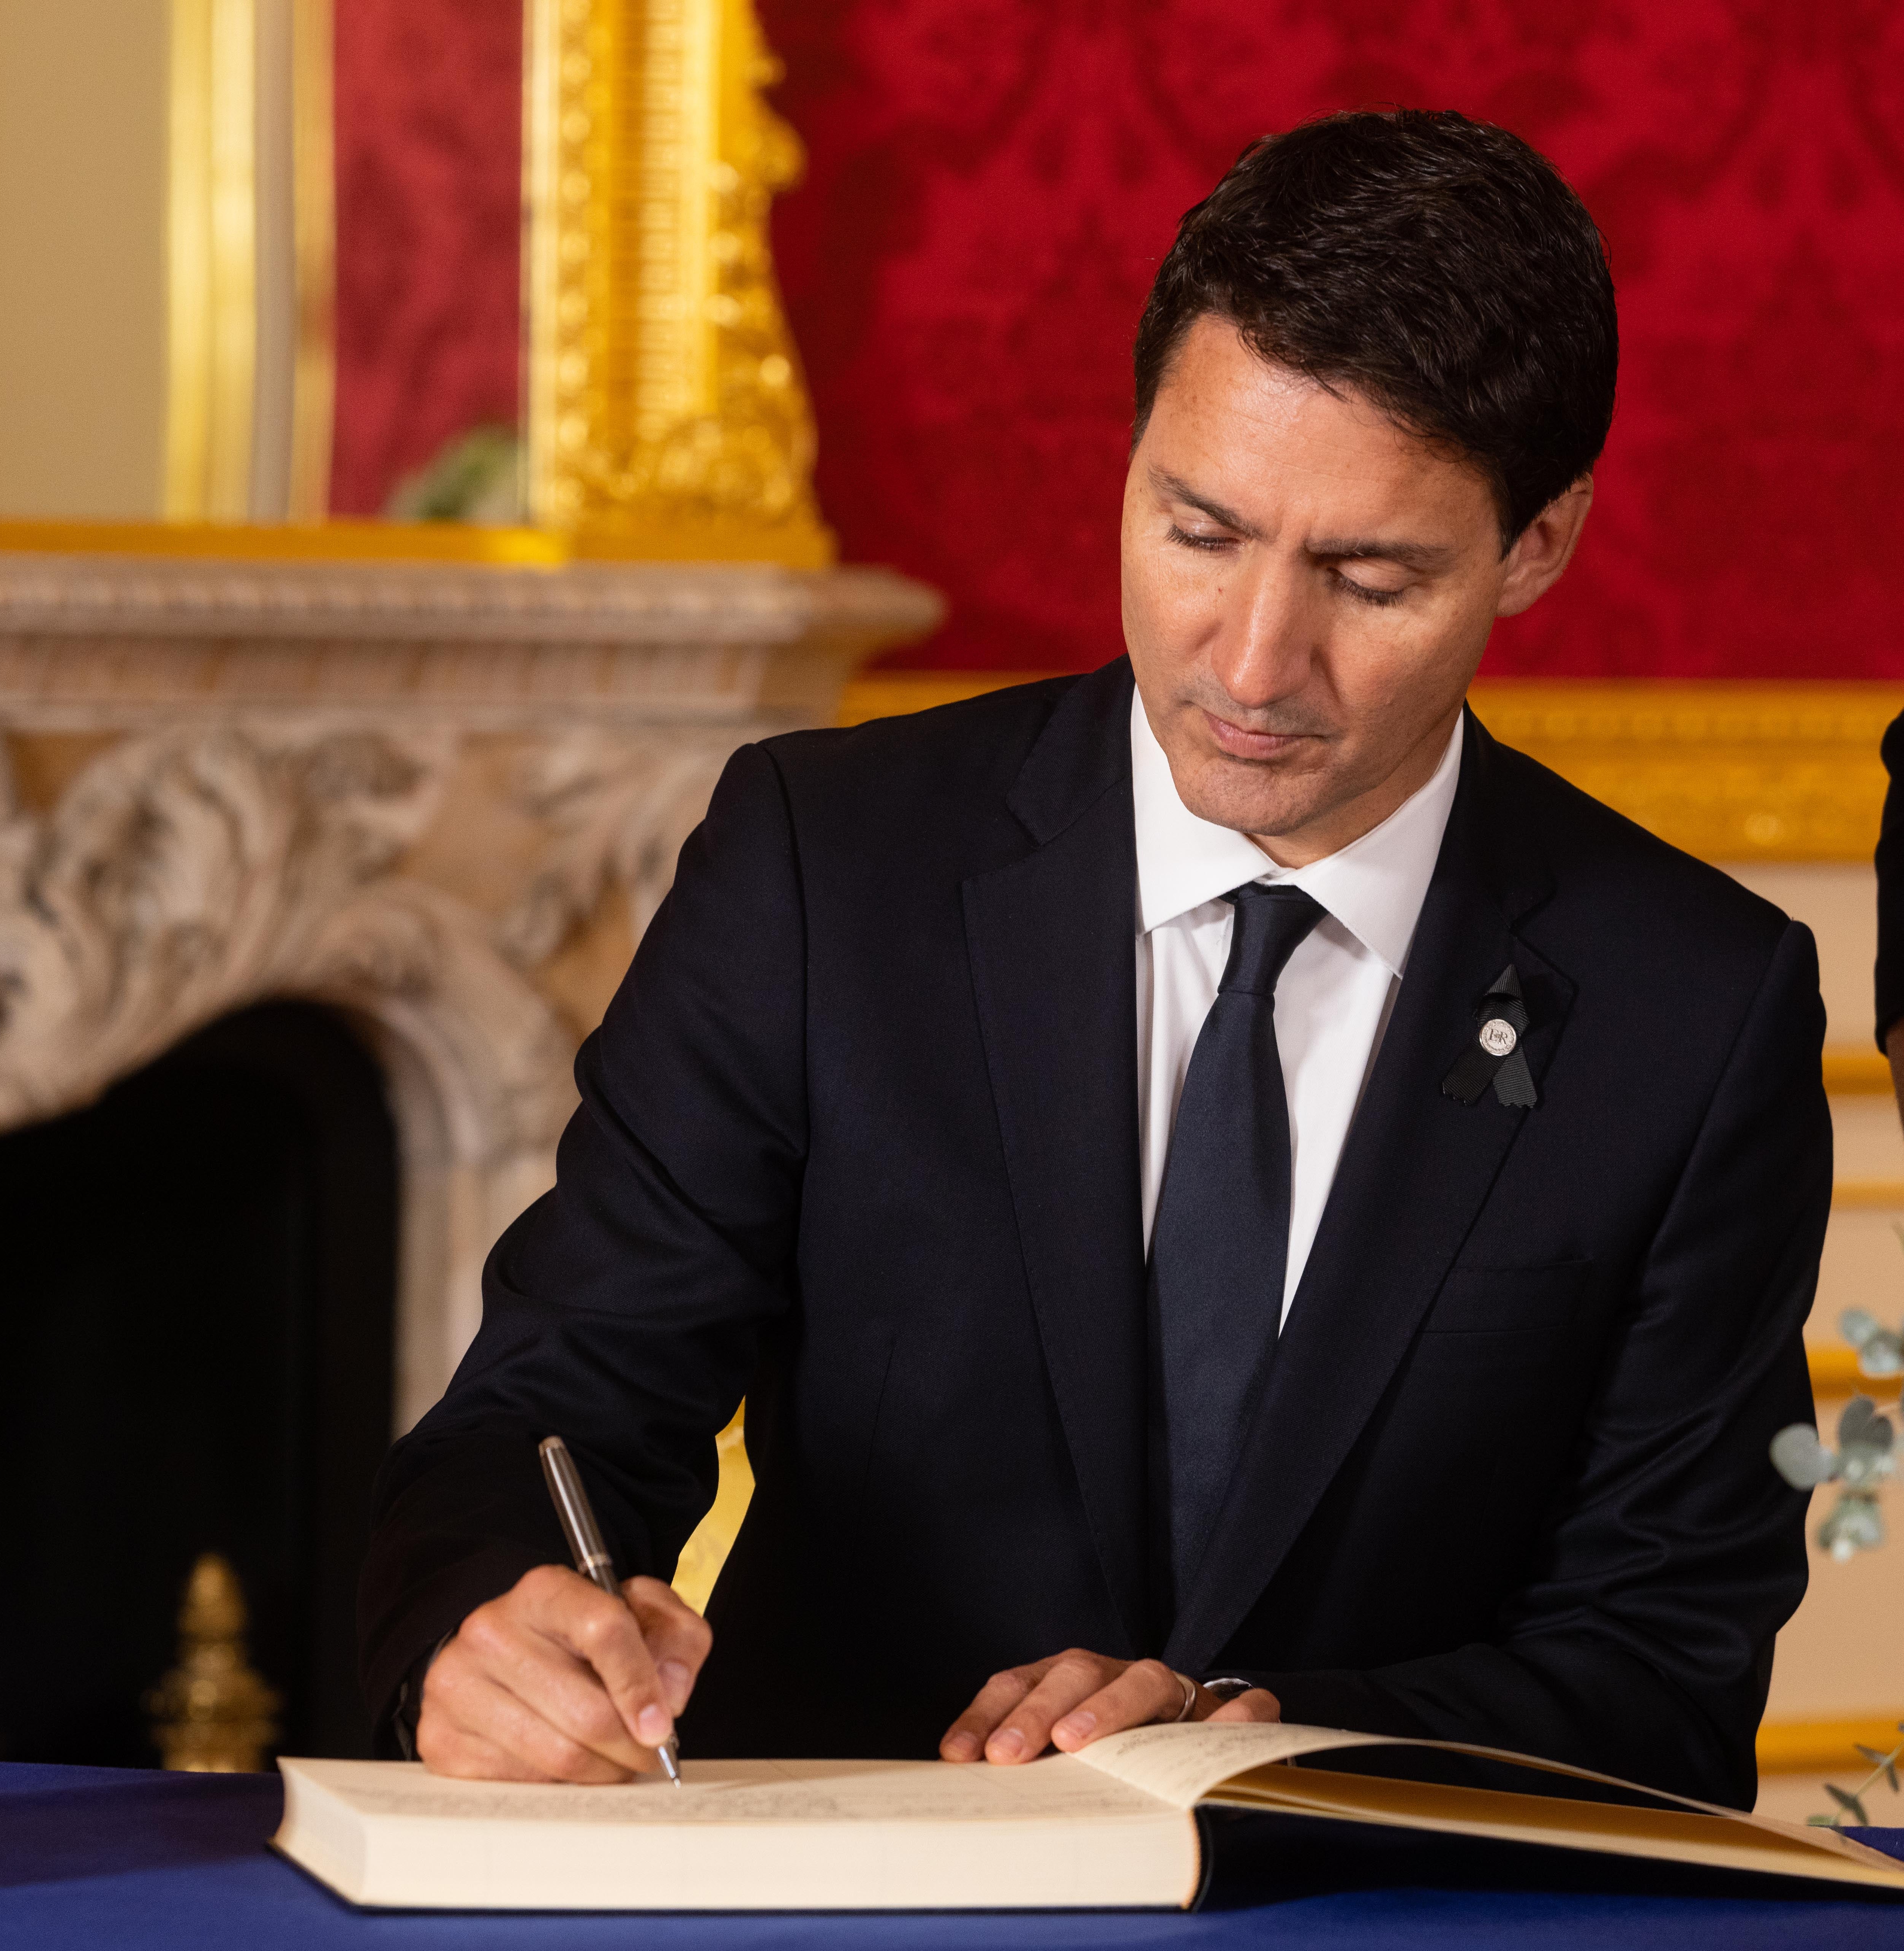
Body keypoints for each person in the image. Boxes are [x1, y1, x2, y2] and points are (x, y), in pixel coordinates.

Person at [360, 108, 1826, 1811]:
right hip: (829, 1899)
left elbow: (1661, 1668)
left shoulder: (1693, 1003)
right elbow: (551, 1406)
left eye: (1367, 577)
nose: (1252, 660)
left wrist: (1253, 1731)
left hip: (1359, 1934)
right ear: (1128, 455)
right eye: (1197, 533)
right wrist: (487, 1630)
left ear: (1538, 545)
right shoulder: (823, 864)